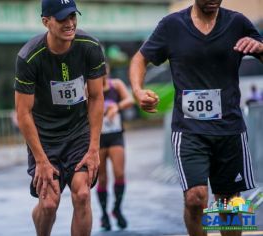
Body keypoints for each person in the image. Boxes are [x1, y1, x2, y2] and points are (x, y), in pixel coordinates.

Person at [129, 0, 263, 235]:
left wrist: (261, 50)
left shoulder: (238, 23)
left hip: (229, 128)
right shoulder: (172, 25)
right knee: (195, 198)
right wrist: (138, 91)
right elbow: (140, 59)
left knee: (229, 203)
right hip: (189, 129)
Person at [14, 0, 106, 235]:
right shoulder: (28, 57)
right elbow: (23, 112)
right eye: (62, 18)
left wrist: (94, 147)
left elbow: (96, 98)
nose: (70, 23)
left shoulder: (90, 46)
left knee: (83, 194)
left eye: (73, 16)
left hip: (77, 132)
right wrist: (41, 160)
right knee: (48, 204)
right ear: (46, 22)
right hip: (44, 137)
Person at [97, 65, 133, 231]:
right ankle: (104, 214)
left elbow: (130, 99)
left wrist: (115, 107)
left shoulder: (115, 85)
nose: (103, 73)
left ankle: (117, 209)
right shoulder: (88, 88)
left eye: (105, 70)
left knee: (119, 173)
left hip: (115, 135)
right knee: (102, 178)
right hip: (98, 139)